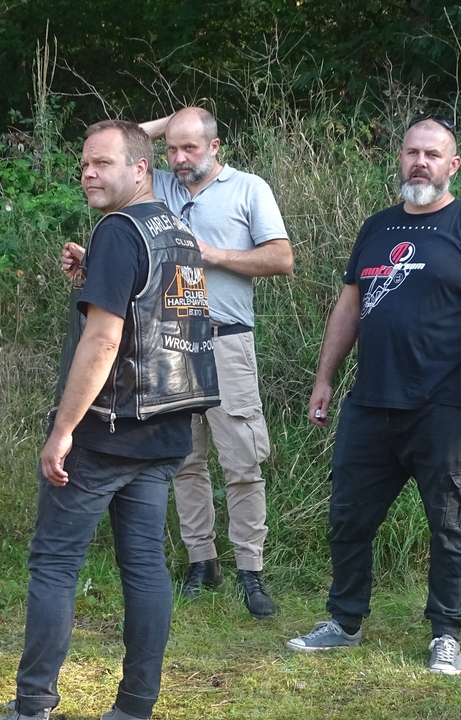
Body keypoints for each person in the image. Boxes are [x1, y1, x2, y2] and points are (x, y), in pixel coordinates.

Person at [0, 120, 219, 720]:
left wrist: (63, 429)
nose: (89, 173)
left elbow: (105, 338)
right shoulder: (175, 229)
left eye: (102, 163)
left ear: (140, 169)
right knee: (144, 566)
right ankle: (135, 712)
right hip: (166, 428)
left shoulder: (119, 230)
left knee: (55, 563)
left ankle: (31, 716)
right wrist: (95, 274)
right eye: (84, 164)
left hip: (105, 431)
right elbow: (154, 311)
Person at [286, 114, 461, 674]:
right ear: (400, 158)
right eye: (412, 152)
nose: (420, 163)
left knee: (448, 524)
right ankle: (344, 621)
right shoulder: (377, 228)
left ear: (452, 164)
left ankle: (446, 634)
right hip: (370, 403)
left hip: (444, 408)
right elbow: (349, 307)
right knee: (348, 517)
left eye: (432, 154)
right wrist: (325, 378)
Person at [139, 106, 293, 617]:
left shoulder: (248, 189)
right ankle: (201, 563)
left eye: (191, 147)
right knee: (184, 460)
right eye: (172, 149)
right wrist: (168, 121)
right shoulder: (158, 185)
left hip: (227, 340)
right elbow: (117, 142)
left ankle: (251, 570)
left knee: (242, 460)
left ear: (215, 145)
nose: (180, 158)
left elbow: (281, 258)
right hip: (169, 341)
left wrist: (214, 254)